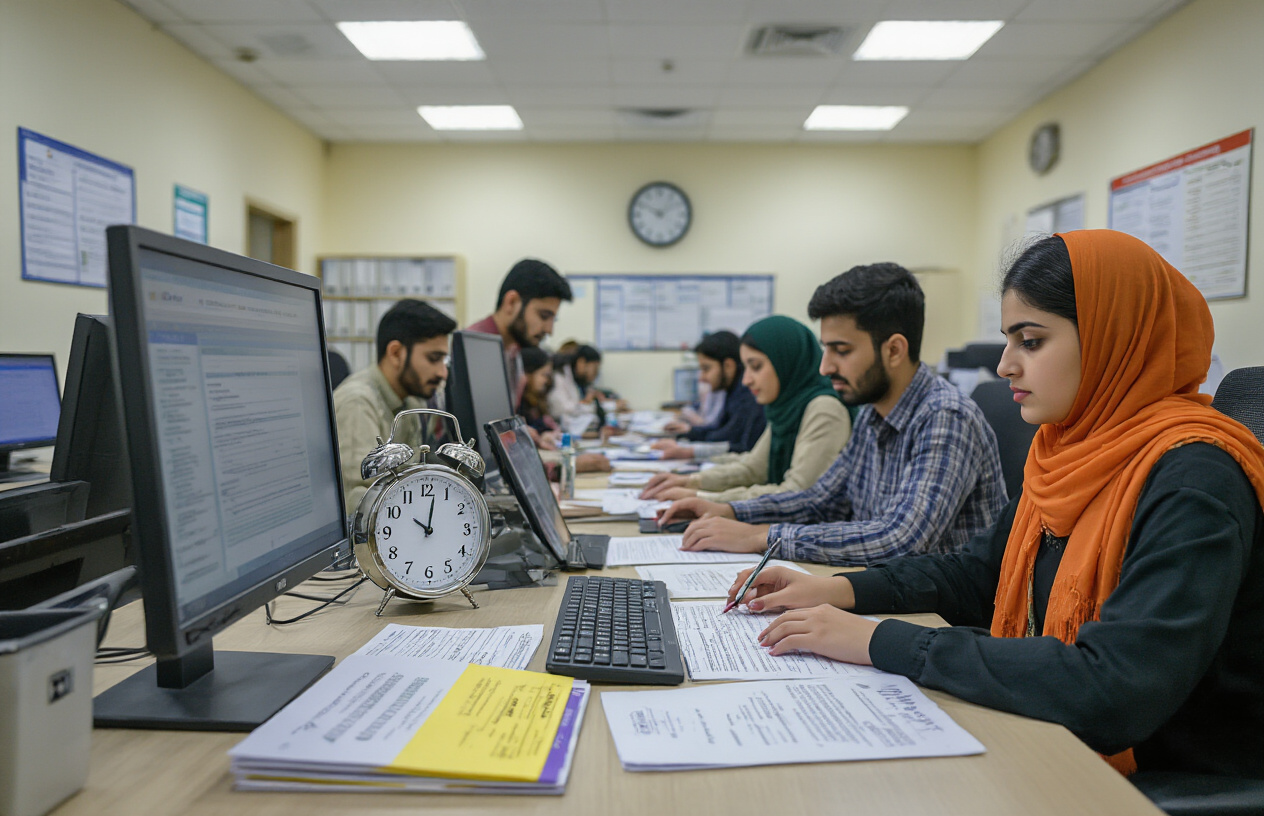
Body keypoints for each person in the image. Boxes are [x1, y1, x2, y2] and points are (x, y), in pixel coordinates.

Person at [737, 231, 1264, 780]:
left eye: (1031, 342)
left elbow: (1115, 686)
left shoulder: (1195, 480)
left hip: (1165, 773)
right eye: (1008, 341)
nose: (1007, 364)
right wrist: (839, 589)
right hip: (1056, 735)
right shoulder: (1067, 452)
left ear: (1115, 337)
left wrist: (881, 640)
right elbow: (974, 572)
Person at [660, 263, 1005, 565]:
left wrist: (761, 537)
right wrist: (730, 511)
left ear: (895, 350)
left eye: (841, 351)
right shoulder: (872, 415)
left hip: (943, 621)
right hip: (889, 597)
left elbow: (900, 539)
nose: (826, 366)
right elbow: (821, 500)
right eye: (826, 349)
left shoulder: (945, 416)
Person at [640, 315, 851, 502]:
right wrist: (691, 482)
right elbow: (753, 468)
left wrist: (704, 498)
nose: (747, 380)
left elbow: (797, 493)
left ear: (785, 362)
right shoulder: (786, 407)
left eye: (756, 366)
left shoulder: (824, 409)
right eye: (746, 367)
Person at [333, 299, 456, 513]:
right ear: (396, 353)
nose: (442, 373)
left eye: (444, 362)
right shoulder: (358, 403)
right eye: (433, 359)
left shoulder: (411, 402)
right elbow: (359, 504)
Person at [466, 258, 572, 401]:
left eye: (553, 319)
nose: (549, 330)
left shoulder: (512, 349)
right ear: (511, 302)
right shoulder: (475, 348)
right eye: (543, 316)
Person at [654, 330, 765, 457]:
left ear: (728, 366)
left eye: (706, 369)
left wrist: (688, 450)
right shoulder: (732, 390)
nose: (702, 378)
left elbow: (734, 442)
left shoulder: (748, 394)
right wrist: (689, 433)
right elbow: (721, 430)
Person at [548, 344, 604, 425]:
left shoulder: (579, 380)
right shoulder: (560, 376)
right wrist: (586, 404)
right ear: (581, 362)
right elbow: (561, 409)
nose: (596, 373)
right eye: (594, 368)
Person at [518, 346, 560, 438]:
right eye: (544, 375)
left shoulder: (536, 402)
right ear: (527, 374)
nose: (547, 381)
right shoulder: (520, 405)